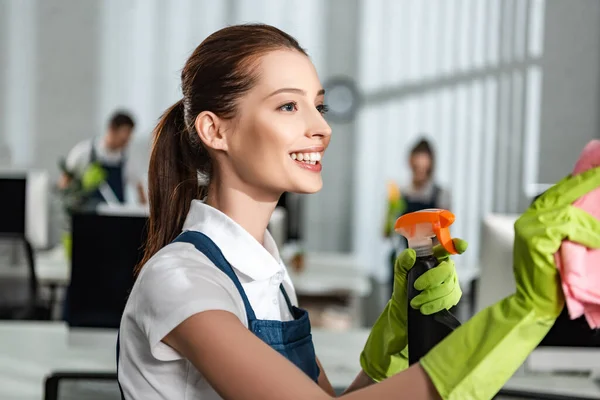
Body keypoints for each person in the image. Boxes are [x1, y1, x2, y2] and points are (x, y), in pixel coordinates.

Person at [117, 24, 600, 399]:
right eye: (288, 107)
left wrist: (388, 345)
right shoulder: (182, 281)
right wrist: (526, 313)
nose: (321, 128)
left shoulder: (265, 276)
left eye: (319, 106)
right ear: (215, 131)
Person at [383, 138, 451, 294]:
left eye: (423, 169)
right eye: (416, 168)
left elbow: (443, 237)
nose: (419, 173)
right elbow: (386, 234)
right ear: (410, 163)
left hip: (429, 266)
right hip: (402, 264)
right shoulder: (399, 193)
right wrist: (390, 212)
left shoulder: (441, 195)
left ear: (431, 166)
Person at [58, 110, 147, 205]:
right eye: (124, 137)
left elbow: (138, 187)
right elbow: (64, 182)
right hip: (87, 215)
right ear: (112, 129)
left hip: (116, 217)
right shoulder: (83, 152)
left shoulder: (129, 159)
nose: (127, 141)